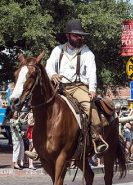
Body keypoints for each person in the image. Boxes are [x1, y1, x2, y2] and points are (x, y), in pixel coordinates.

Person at [45, 19, 107, 154]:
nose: (79, 38)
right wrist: (53, 74)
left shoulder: (87, 53)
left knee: (89, 107)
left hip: (78, 87)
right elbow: (49, 65)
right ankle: (37, 145)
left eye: (81, 36)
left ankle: (97, 138)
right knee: (42, 107)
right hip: (59, 87)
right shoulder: (58, 50)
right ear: (68, 36)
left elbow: (92, 72)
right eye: (76, 35)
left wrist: (92, 89)